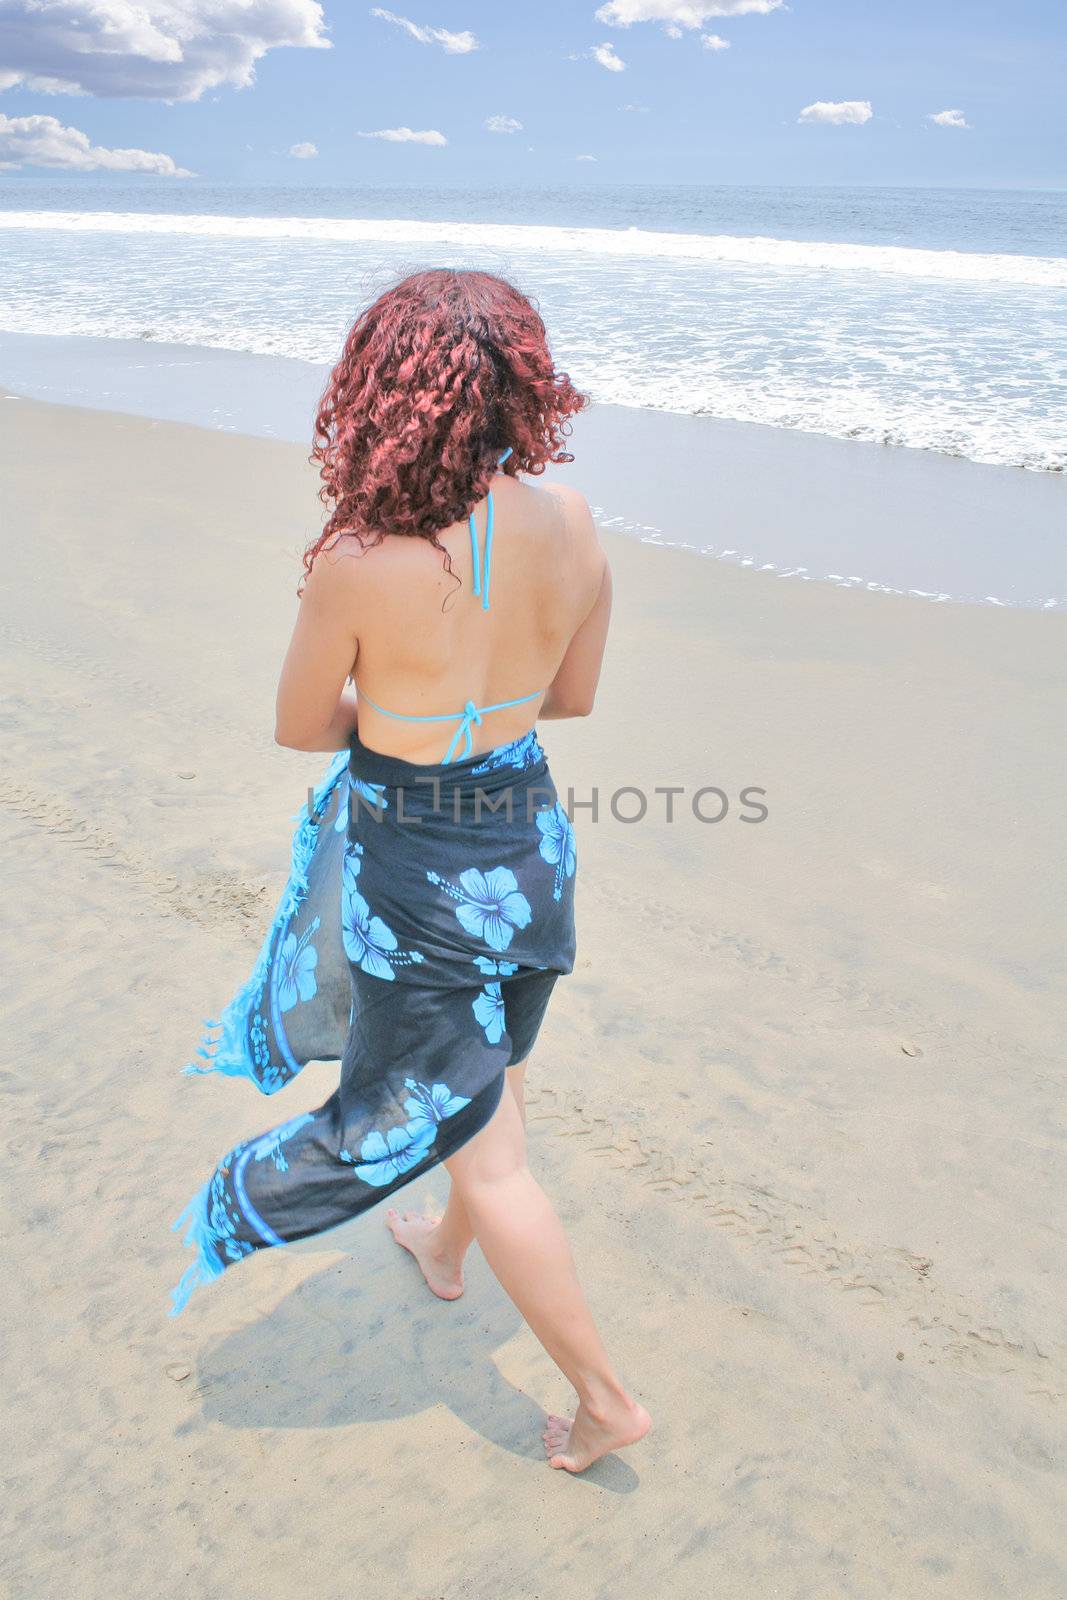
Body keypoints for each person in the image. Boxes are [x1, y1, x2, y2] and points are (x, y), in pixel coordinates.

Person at [171, 267, 651, 1474]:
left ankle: (604, 1398)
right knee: (492, 1068)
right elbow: (574, 696)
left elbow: (299, 723)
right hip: (527, 846)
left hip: (422, 869)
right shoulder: (576, 522)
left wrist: (395, 713)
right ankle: (444, 1248)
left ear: (387, 391)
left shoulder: (360, 559)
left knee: (487, 1151)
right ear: (518, 386)